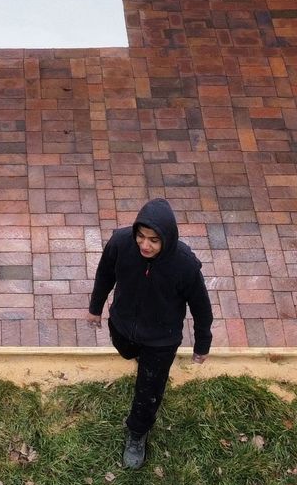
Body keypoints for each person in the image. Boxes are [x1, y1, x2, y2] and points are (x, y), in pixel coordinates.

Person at [88, 197, 214, 469]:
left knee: (149, 389)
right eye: (141, 237)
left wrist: (202, 344)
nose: (145, 245)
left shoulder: (185, 265)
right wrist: (95, 308)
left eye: (154, 240)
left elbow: (201, 307)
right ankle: (135, 355)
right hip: (123, 325)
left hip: (161, 338)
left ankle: (137, 432)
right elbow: (104, 275)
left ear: (166, 239)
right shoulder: (121, 243)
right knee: (126, 351)